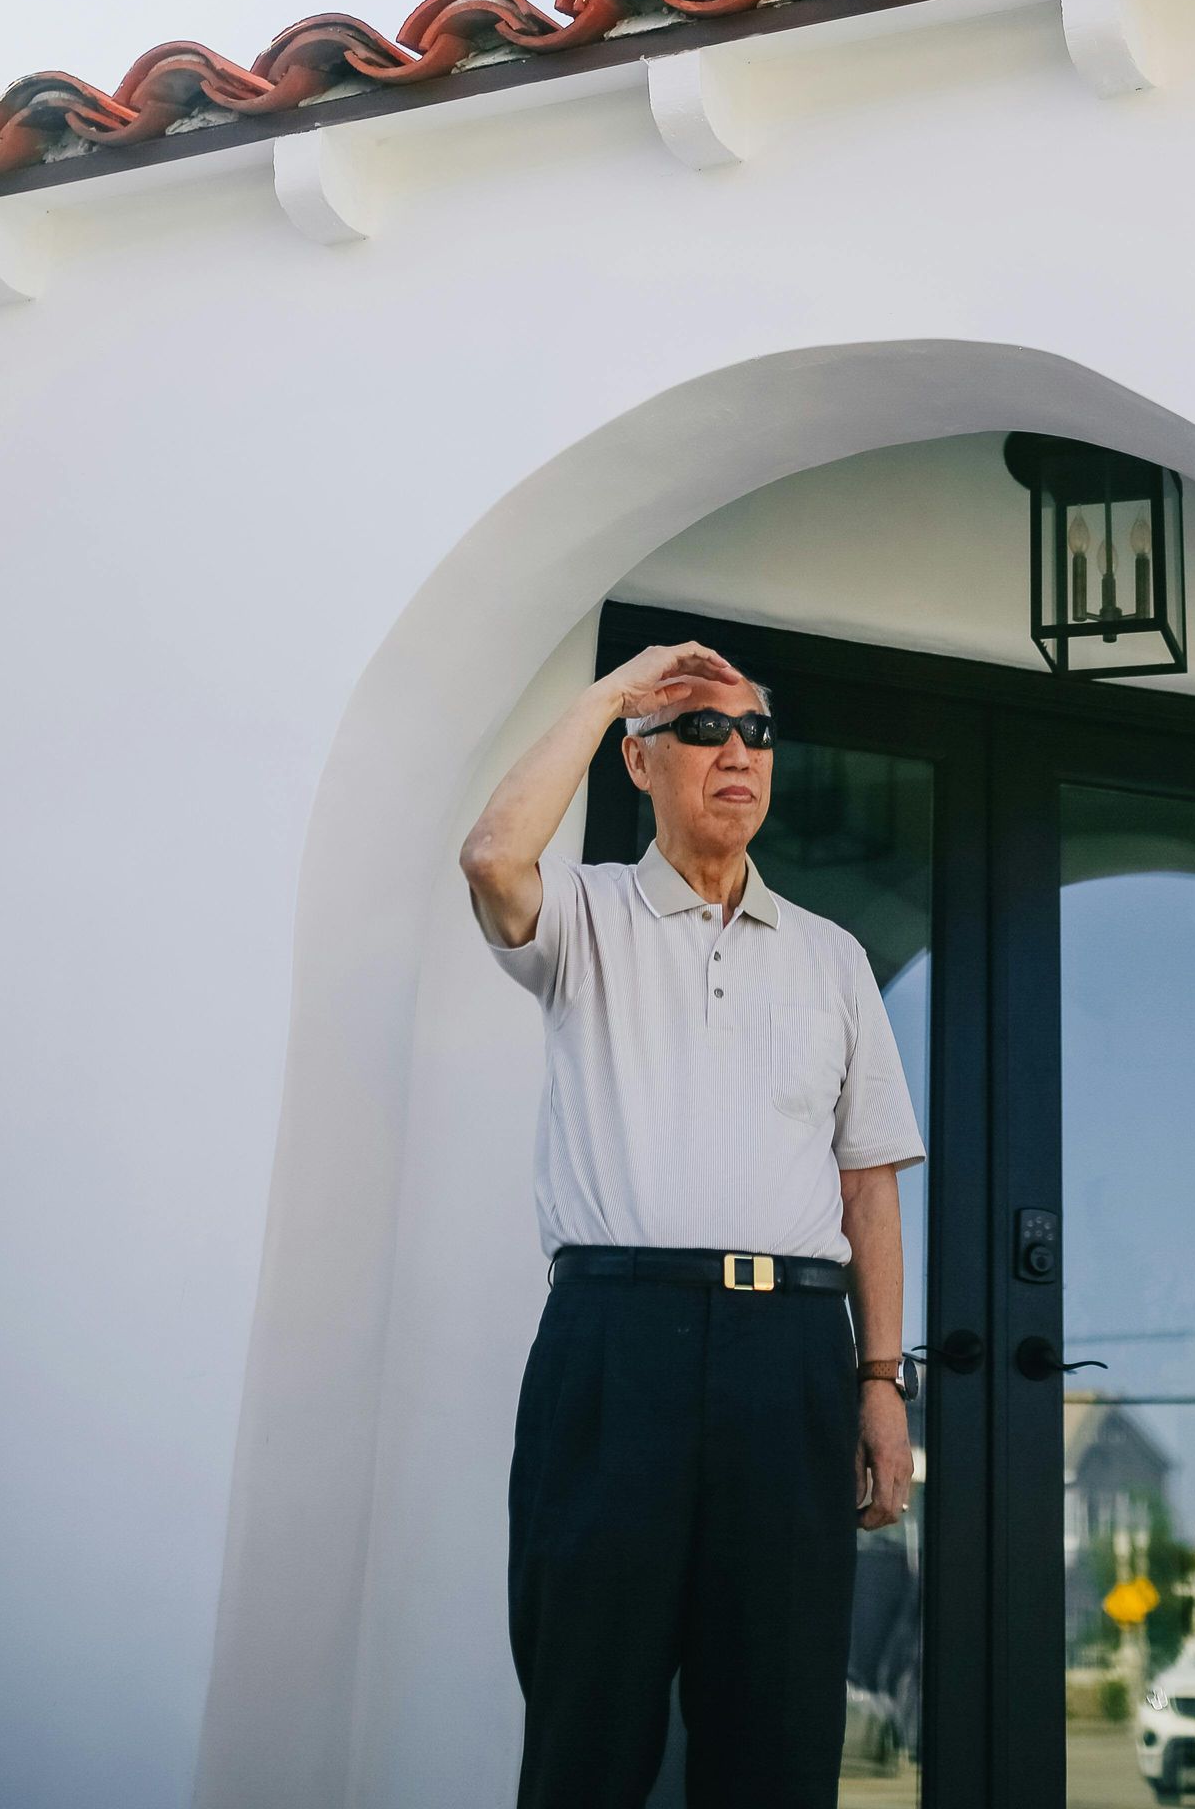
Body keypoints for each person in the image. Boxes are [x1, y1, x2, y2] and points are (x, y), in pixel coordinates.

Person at [461, 637, 926, 1809]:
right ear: (640, 761)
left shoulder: (833, 959)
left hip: (789, 1365)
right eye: (702, 730)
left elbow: (869, 1184)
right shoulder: (587, 913)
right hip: (616, 1349)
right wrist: (619, 686)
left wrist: (881, 1381)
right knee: (588, 1715)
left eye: (756, 733)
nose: (737, 753)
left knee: (776, 1727)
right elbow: (491, 853)